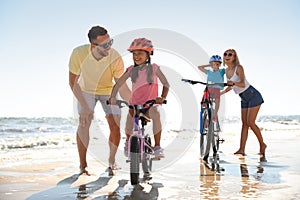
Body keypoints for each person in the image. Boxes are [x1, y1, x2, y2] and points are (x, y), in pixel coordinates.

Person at [69, 25, 130, 175]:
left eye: (110, 42)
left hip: (108, 91)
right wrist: (84, 106)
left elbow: (120, 84)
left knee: (115, 123)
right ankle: (83, 166)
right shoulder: (78, 54)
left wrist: (133, 101)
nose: (108, 47)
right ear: (93, 45)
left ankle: (111, 161)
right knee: (84, 122)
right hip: (86, 91)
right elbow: (73, 82)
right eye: (104, 45)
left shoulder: (114, 57)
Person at [108, 38, 170, 158]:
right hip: (135, 104)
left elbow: (166, 84)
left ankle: (157, 146)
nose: (136, 56)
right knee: (129, 123)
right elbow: (119, 84)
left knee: (156, 113)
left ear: (148, 54)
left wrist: (162, 97)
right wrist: (112, 97)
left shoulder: (154, 68)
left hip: (150, 104)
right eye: (134, 54)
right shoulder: (131, 70)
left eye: (140, 53)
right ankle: (128, 142)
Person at [220, 49, 267, 159]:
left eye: (230, 54)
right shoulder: (226, 71)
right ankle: (241, 149)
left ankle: (262, 144)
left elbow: (241, 83)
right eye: (225, 54)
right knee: (244, 124)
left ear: (234, 57)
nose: (227, 56)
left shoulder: (239, 68)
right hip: (243, 98)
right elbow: (231, 86)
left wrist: (234, 83)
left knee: (250, 122)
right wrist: (221, 93)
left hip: (253, 95)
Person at [198, 55, 225, 122]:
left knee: (217, 100)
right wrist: (209, 64)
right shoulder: (209, 72)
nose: (215, 65)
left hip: (217, 89)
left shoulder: (222, 71)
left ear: (220, 65)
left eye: (217, 64)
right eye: (213, 64)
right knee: (204, 101)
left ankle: (215, 115)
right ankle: (205, 115)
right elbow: (199, 67)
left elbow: (229, 69)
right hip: (209, 89)